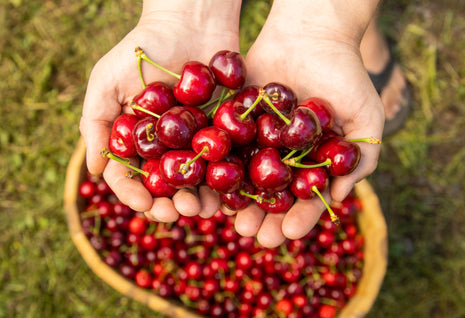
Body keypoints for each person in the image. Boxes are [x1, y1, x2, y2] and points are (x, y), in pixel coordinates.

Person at [80, 0, 409, 248]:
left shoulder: (246, 130)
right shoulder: (214, 129)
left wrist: (326, 29)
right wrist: (182, 14)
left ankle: (336, 20)